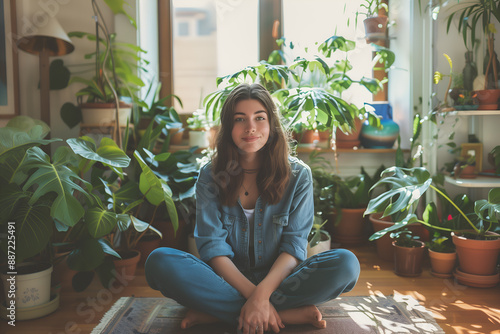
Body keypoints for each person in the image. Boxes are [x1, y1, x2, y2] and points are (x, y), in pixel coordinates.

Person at [145, 83, 360, 333]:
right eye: (240, 119)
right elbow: (212, 248)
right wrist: (256, 299)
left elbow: (294, 246)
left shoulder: (299, 175)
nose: (250, 128)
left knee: (346, 264)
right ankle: (282, 314)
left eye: (260, 118)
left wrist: (263, 294)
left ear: (271, 125)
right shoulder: (210, 176)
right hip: (224, 281)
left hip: (282, 281)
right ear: (228, 127)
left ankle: (220, 313)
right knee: (159, 262)